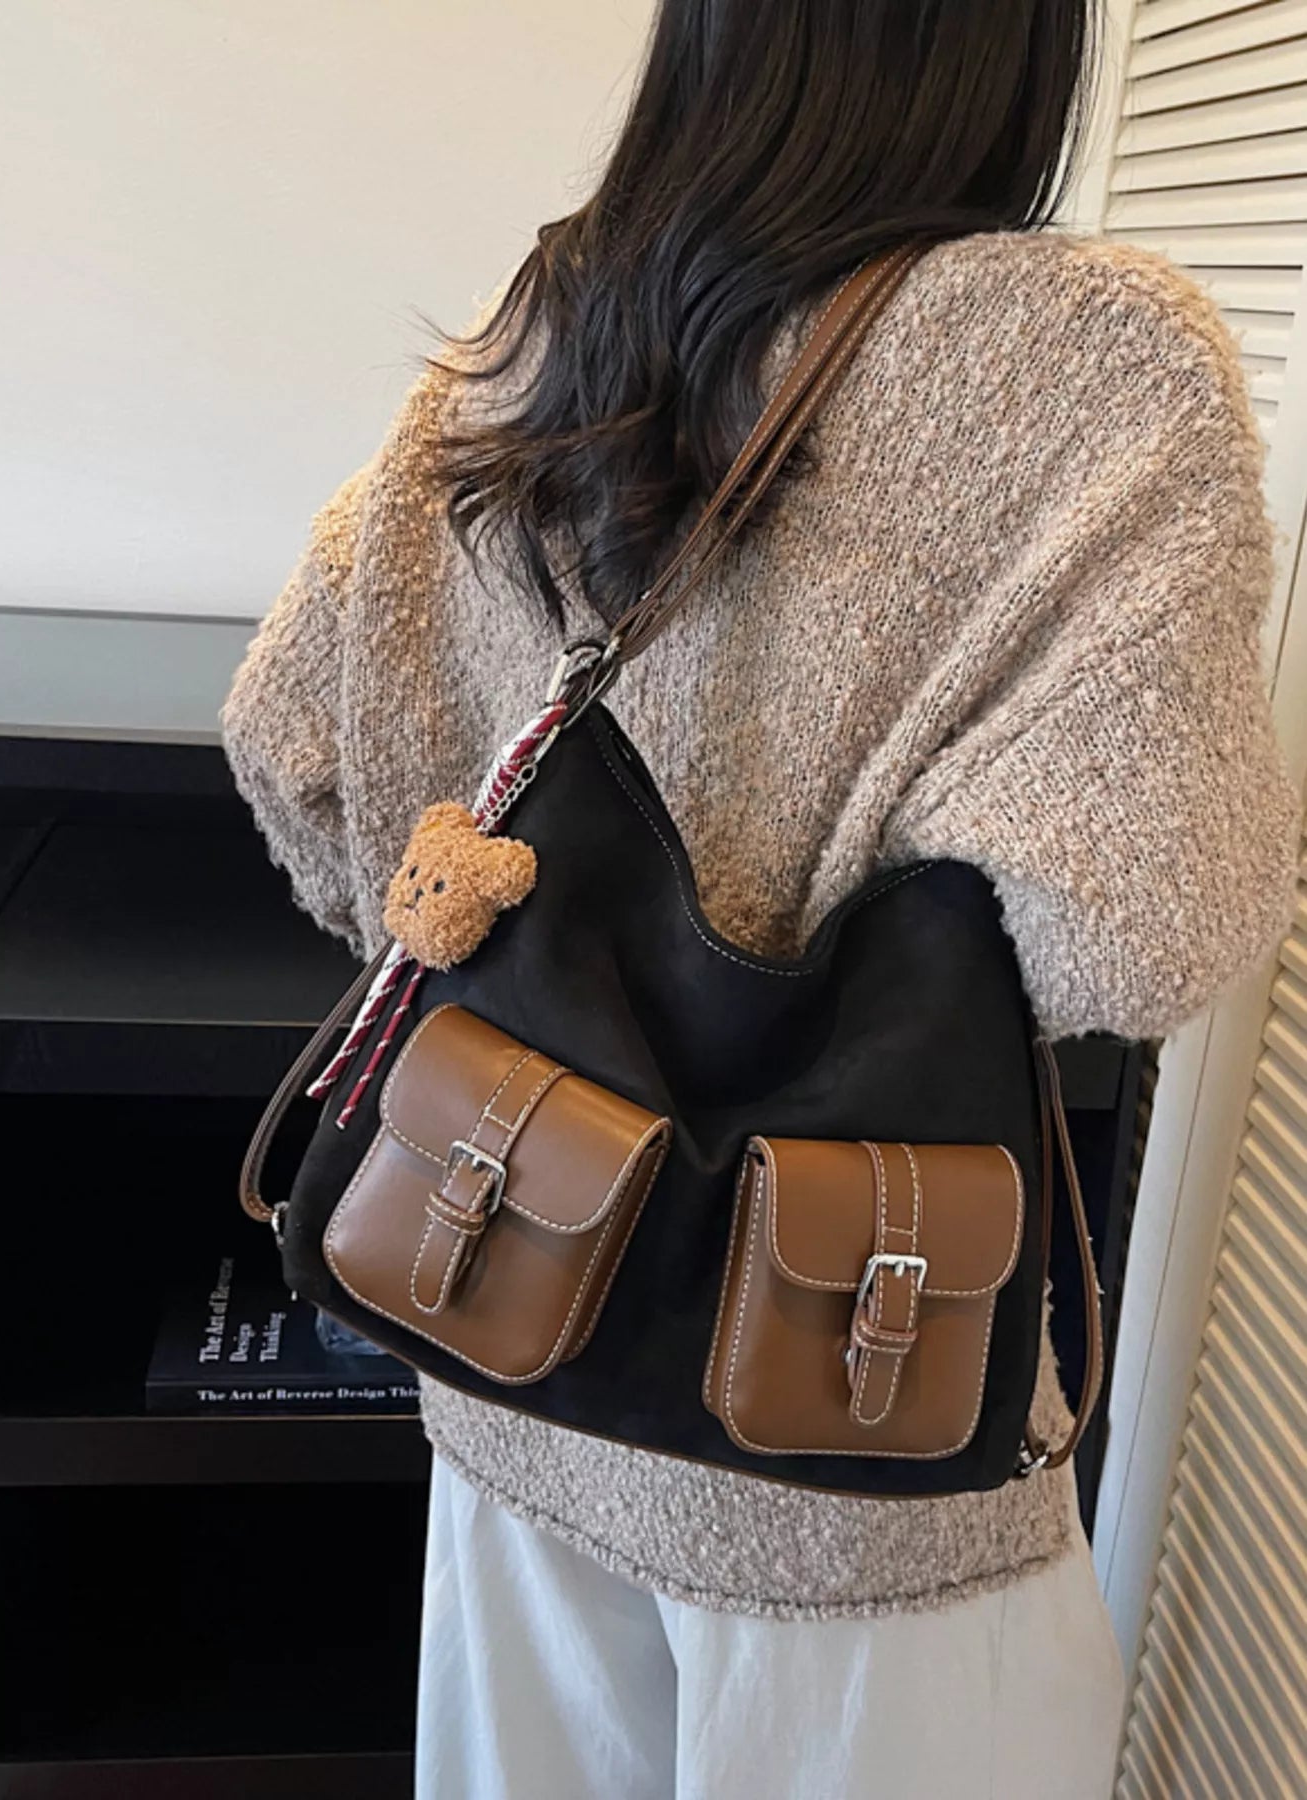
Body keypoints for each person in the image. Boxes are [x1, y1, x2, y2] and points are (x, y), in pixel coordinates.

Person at [222, 2, 1301, 1793]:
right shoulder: (1096, 357)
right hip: (845, 1428)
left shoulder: (543, 324)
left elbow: (294, 745)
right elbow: (1142, 921)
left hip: (512, 1330)